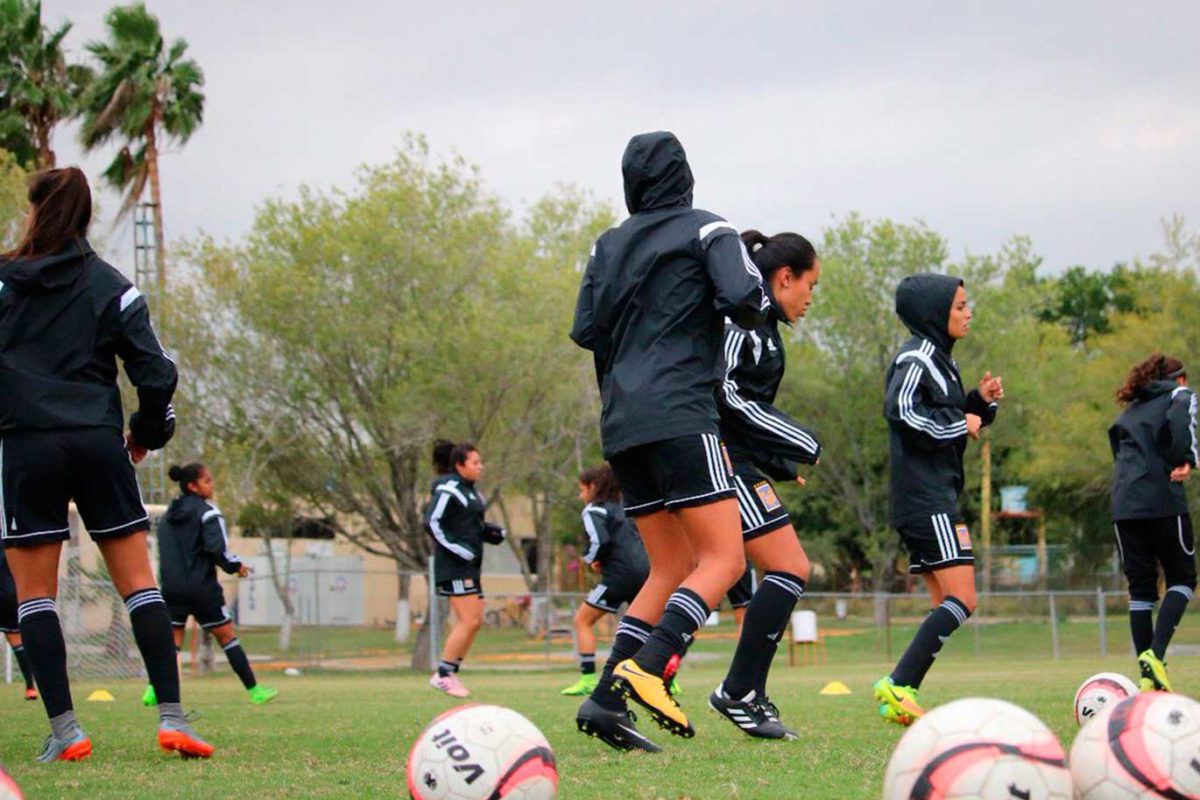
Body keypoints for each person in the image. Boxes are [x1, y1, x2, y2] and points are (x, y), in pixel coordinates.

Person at [0, 167, 212, 761]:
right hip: (97, 442)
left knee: (34, 597)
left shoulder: (4, 284)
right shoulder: (111, 286)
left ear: (35, 213)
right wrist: (146, 432)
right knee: (139, 584)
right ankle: (172, 719)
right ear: (87, 217)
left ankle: (67, 731)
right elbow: (157, 372)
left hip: (27, 447)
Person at [570, 131, 768, 751]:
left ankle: (604, 703)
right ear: (685, 175)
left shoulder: (607, 245)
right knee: (726, 560)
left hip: (622, 425)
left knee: (672, 566)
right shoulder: (709, 229)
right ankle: (651, 666)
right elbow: (745, 297)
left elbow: (584, 329)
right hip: (681, 413)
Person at [873, 273, 1002, 725]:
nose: (968, 313)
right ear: (934, 312)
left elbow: (946, 414)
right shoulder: (918, 356)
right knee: (963, 599)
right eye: (960, 306)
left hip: (932, 497)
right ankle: (897, 683)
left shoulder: (940, 359)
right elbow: (901, 410)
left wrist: (978, 403)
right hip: (927, 501)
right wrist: (957, 424)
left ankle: (903, 692)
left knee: (943, 603)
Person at [708, 230, 822, 739]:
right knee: (789, 566)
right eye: (810, 286)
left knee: (784, 569)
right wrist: (798, 438)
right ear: (784, 277)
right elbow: (725, 395)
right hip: (723, 464)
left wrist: (777, 461)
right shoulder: (744, 322)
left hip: (744, 463)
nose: (810, 298)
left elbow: (746, 408)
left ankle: (742, 690)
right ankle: (737, 690)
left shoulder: (764, 327)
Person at [142, 463, 277, 706]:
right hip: (202, 589)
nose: (211, 485)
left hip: (171, 588)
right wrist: (236, 566)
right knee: (227, 637)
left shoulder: (166, 519)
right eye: (207, 481)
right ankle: (255, 691)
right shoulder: (208, 513)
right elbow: (217, 549)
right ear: (192, 486)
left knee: (172, 642)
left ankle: (153, 689)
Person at [1109, 353, 1197, 692]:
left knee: (1141, 592)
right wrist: (1186, 459)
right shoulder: (1179, 394)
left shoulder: (1129, 411)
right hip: (1162, 500)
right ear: (1179, 378)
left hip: (1123, 506)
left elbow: (1117, 447)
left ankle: (1149, 680)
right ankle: (1155, 657)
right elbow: (1181, 422)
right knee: (1183, 579)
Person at [561, 464, 650, 696]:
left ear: (593, 487)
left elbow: (601, 540)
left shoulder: (594, 510)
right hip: (644, 572)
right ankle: (664, 678)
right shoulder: (624, 507)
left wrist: (590, 559)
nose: (581, 496)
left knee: (582, 620)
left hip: (619, 576)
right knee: (648, 627)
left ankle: (588, 678)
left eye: (582, 490)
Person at [425, 442, 505, 698]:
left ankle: (450, 671)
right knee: (468, 620)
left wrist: (491, 532)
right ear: (460, 466)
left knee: (475, 620)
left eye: (481, 462)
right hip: (455, 566)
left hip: (471, 566)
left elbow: (469, 526)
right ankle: (443, 675)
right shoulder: (449, 490)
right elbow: (432, 522)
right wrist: (458, 549)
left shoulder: (472, 492)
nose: (480, 467)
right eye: (475, 463)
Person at [1, 548, 37, 700]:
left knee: (15, 639)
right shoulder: (10, 540)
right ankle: (30, 687)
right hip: (11, 594)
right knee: (16, 640)